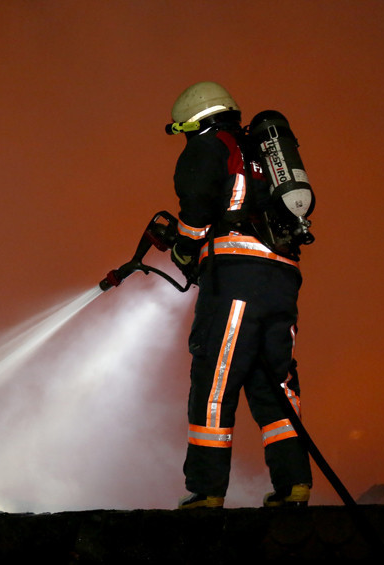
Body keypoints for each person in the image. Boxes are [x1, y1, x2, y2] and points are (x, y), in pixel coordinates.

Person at [167, 82, 313, 509]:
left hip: (236, 282)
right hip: (282, 281)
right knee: (275, 385)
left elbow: (196, 204)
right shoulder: (262, 154)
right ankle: (294, 485)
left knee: (215, 379)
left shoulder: (212, 144)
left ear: (197, 120)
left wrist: (185, 246)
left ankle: (207, 491)